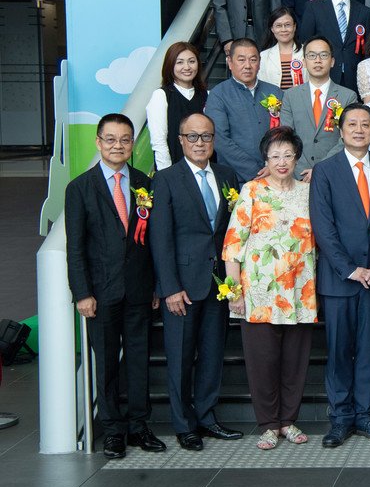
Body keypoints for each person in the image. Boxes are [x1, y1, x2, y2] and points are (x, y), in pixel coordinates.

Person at [65, 113, 163, 459]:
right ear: (98, 142)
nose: (117, 145)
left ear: (132, 143)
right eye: (110, 139)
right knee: (105, 364)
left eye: (124, 139)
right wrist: (82, 293)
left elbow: (153, 241)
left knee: (138, 361)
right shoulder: (79, 188)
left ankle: (139, 426)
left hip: (139, 290)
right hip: (100, 294)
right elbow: (75, 248)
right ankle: (112, 430)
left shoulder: (145, 184)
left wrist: (156, 286)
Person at [309, 104, 370, 447]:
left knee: (369, 351)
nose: (359, 130)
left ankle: (365, 415)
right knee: (338, 351)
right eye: (352, 124)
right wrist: (350, 268)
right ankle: (340, 418)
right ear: (341, 130)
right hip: (340, 280)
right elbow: (323, 227)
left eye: (365, 124)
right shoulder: (325, 171)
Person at [221, 126, 318, 450]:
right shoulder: (251, 190)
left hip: (300, 293)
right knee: (262, 362)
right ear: (265, 158)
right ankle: (267, 425)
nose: (282, 162)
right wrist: (234, 293)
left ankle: (288, 421)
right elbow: (233, 245)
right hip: (259, 294)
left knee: (295, 363)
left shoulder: (308, 192)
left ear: (297, 157)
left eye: (288, 155)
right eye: (275, 156)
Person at [151, 113, 243, 451]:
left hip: (218, 284)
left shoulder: (226, 175)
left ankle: (207, 417)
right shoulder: (166, 179)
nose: (200, 143)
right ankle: (184, 424)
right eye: (192, 136)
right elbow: (160, 239)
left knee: (212, 355)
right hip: (183, 287)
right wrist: (169, 287)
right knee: (180, 357)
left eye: (206, 136)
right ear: (180, 140)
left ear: (214, 140)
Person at [278, 35, 358, 181]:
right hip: (299, 174)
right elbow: (286, 136)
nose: (318, 60)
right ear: (304, 62)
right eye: (312, 55)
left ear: (332, 61)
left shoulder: (348, 96)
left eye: (323, 55)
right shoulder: (290, 96)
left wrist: (322, 168)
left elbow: (347, 137)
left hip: (335, 172)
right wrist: (299, 168)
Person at [205, 38, 283, 184]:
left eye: (253, 60)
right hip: (237, 179)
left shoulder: (275, 92)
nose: (247, 66)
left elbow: (286, 133)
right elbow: (219, 139)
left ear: (259, 63)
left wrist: (273, 166)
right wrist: (256, 171)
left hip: (276, 174)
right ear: (230, 62)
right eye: (241, 60)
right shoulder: (218, 94)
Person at [298, 0, 370, 93]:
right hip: (324, 75)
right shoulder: (313, 8)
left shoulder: (364, 12)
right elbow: (306, 42)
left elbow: (367, 49)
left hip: (354, 78)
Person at [146, 42, 207, 171]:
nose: (187, 67)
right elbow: (159, 141)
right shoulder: (161, 95)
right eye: (179, 62)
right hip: (174, 168)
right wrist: (167, 174)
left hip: (203, 169)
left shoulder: (206, 95)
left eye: (191, 61)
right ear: (170, 65)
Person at [258, 7, 304, 90]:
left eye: (287, 25)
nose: (283, 29)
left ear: (294, 27)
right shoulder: (263, 56)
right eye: (278, 26)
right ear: (272, 29)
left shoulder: (307, 52)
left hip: (302, 98)